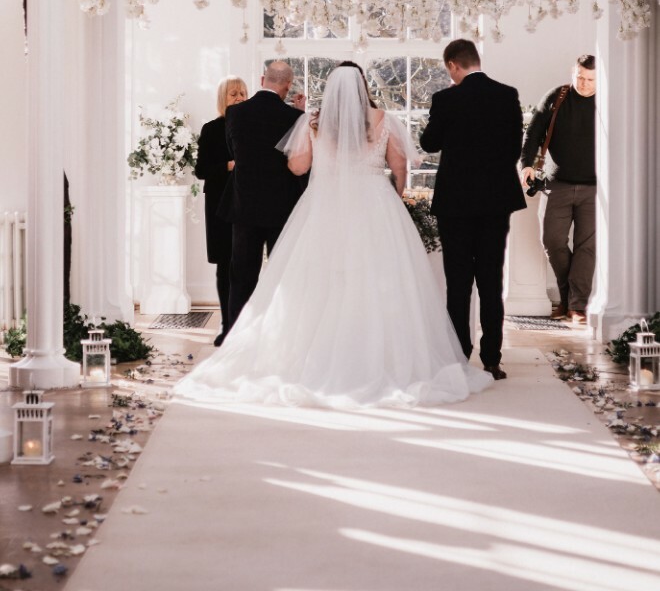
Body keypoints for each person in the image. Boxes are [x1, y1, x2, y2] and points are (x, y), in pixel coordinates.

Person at [175, 65, 494, 408]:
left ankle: (315, 355)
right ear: (362, 87)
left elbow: (297, 167)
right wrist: (394, 197)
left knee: (319, 280)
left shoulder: (314, 122)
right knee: (377, 279)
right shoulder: (384, 119)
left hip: (324, 204)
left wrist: (316, 153)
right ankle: (379, 355)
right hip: (374, 204)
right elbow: (401, 167)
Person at [419, 39, 526, 381]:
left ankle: (459, 355)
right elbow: (514, 149)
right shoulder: (507, 95)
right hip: (496, 200)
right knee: (491, 279)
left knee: (459, 281)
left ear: (453, 65)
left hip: (457, 202)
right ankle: (492, 358)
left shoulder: (446, 99)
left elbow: (428, 143)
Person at [220, 61, 306, 332]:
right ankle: (280, 333)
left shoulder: (235, 112)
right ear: (288, 85)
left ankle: (236, 334)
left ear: (261, 80)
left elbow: (233, 151)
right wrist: (300, 116)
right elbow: (298, 162)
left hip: (244, 204)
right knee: (282, 276)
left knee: (242, 276)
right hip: (282, 207)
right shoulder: (294, 117)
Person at [520, 55, 596, 325]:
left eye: (590, 80)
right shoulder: (557, 97)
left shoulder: (608, 101)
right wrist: (526, 165)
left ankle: (576, 306)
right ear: (573, 72)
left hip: (595, 188)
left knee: (587, 248)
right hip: (556, 184)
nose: (584, 83)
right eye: (580, 77)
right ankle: (567, 297)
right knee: (552, 241)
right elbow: (533, 132)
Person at [194, 76, 248, 347]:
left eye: (242, 93)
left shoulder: (251, 125)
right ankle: (227, 327)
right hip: (219, 206)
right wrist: (227, 166)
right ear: (222, 99)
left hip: (246, 205)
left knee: (244, 268)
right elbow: (201, 170)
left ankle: (244, 327)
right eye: (233, 94)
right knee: (225, 267)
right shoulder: (211, 129)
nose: (239, 98)